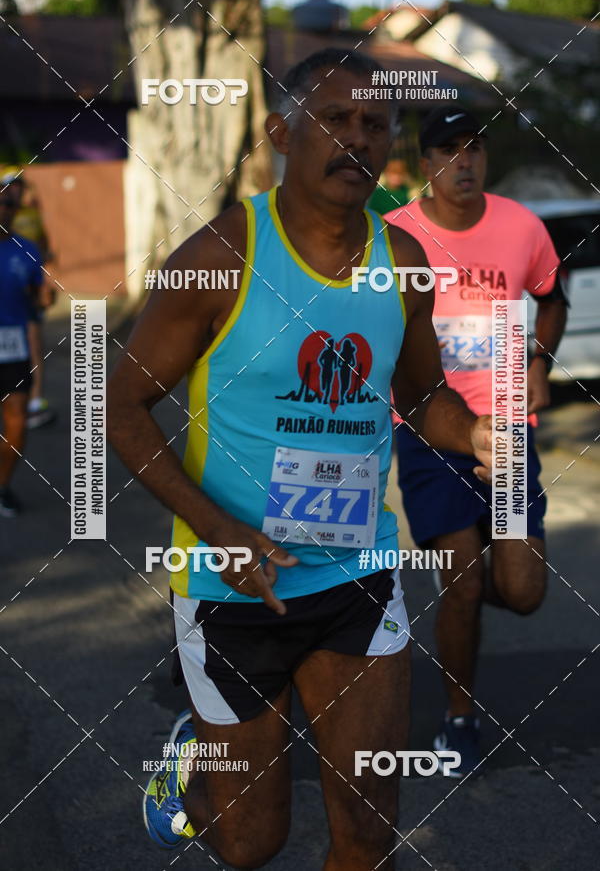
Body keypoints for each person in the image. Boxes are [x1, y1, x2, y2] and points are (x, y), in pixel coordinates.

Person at [107, 53, 492, 867]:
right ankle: (191, 774)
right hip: (234, 585)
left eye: (374, 125)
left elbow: (423, 399)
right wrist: (218, 529)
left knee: (367, 822)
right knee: (252, 841)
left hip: (359, 574)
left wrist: (479, 435)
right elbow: (121, 405)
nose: (356, 139)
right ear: (283, 132)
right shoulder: (220, 255)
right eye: (334, 119)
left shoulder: (405, 265)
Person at [385, 104, 568, 778]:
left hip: (509, 431)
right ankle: (460, 717)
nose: (464, 161)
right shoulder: (395, 234)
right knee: (462, 582)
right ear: (426, 162)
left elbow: (552, 296)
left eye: (475, 148)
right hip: (428, 431)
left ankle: (460, 592)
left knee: (522, 591)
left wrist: (538, 362)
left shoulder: (521, 227)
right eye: (448, 149)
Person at [0, 178, 45, 516]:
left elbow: (36, 304)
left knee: (16, 421)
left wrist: (46, 297)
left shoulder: (28, 250)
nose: (3, 210)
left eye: (9, 205)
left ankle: (2, 486)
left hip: (12, 346)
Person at [0, 170, 57, 429]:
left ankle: (35, 399)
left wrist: (45, 289)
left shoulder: (31, 216)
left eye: (18, 188)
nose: (6, 205)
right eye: (10, 188)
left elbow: (44, 244)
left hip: (24, 288)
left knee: (34, 342)